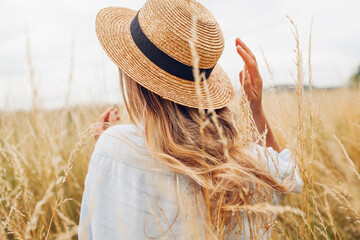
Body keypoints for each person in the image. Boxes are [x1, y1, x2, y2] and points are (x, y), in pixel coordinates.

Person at [79, 0, 302, 239]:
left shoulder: (111, 147)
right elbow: (290, 178)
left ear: (136, 81)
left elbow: (91, 231)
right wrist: (255, 111)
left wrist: (109, 149)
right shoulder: (247, 167)